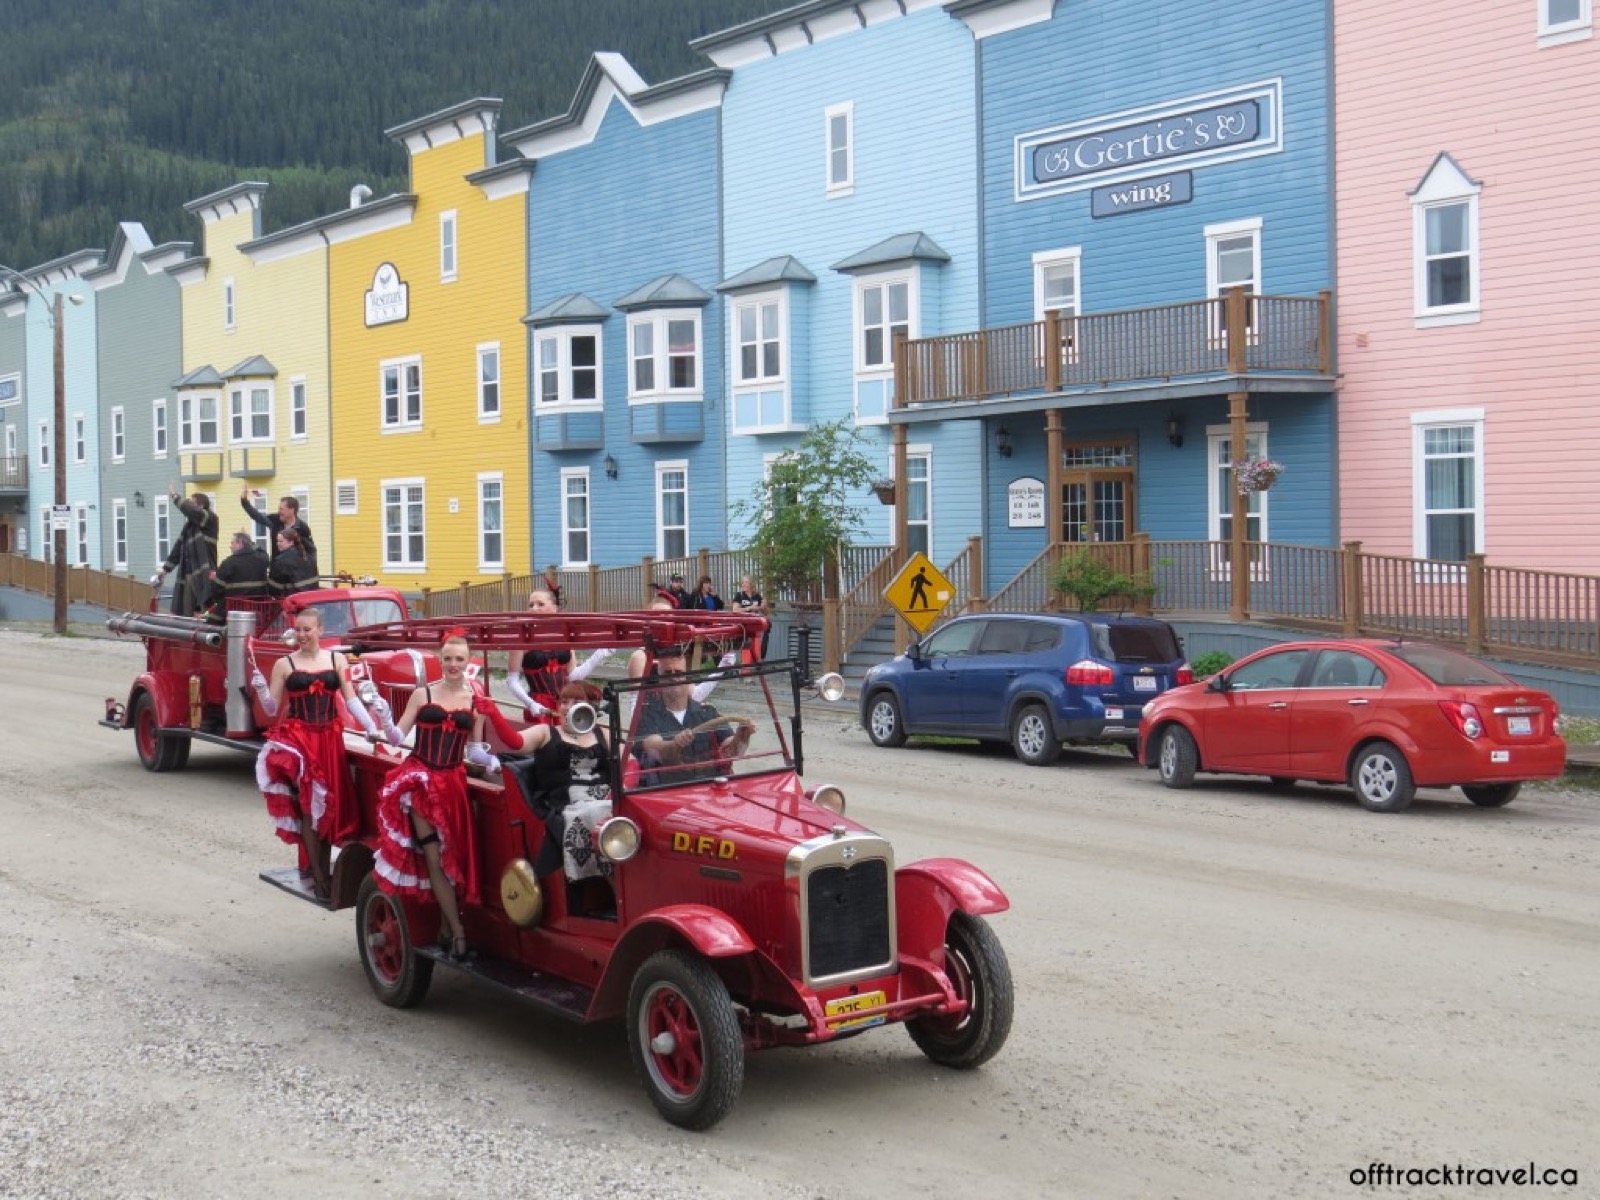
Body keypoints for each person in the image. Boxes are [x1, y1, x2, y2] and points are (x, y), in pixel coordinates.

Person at [250, 607, 383, 901]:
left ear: (321, 631)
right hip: (300, 742)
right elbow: (272, 709)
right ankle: (320, 876)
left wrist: (372, 726)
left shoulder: (337, 659)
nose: (302, 635)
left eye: (307, 629)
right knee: (311, 807)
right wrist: (261, 691)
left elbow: (349, 700)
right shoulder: (284, 664)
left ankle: (322, 869)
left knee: (327, 807)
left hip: (330, 740)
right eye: (298, 630)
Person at [372, 629, 484, 961]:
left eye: (459, 659)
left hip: (454, 785)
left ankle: (446, 929)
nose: (453, 665)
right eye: (447, 658)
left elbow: (475, 751)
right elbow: (396, 737)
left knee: (455, 860)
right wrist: (381, 713)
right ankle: (459, 932)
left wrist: (492, 759)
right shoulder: (422, 694)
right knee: (435, 857)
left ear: (468, 662)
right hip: (421, 781)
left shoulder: (475, 699)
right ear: (439, 659)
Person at [481, 681, 613, 882]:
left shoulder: (602, 733)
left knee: (622, 812)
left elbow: (629, 761)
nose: (568, 707)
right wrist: (494, 714)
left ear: (589, 706)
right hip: (567, 803)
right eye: (564, 701)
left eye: (576, 701)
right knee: (596, 814)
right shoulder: (545, 732)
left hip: (606, 797)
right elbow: (515, 742)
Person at [631, 646, 756, 785]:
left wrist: (742, 736)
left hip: (712, 790)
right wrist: (675, 745)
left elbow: (732, 752)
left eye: (678, 672)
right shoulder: (646, 715)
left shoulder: (708, 712)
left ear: (688, 677)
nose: (674, 678)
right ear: (659, 679)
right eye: (667, 673)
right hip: (668, 792)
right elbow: (654, 747)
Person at [503, 586, 611, 721]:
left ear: (554, 608)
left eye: (540, 604)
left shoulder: (564, 635)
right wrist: (530, 704)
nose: (534, 608)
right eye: (531, 605)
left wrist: (600, 654)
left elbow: (573, 676)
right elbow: (511, 681)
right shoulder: (521, 638)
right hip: (540, 707)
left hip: (566, 704)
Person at [154, 486, 218, 616]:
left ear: (201, 505)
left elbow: (192, 512)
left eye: (192, 503)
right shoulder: (189, 527)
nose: (188, 506)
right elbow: (178, 549)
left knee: (204, 609)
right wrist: (165, 570)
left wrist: (175, 496)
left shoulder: (210, 518)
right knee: (186, 612)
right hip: (188, 574)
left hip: (203, 573)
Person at [242, 486, 318, 577]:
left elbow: (311, 551)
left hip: (296, 573)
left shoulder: (302, 528)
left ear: (292, 510)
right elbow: (257, 516)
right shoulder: (274, 520)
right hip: (277, 570)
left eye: (281, 509)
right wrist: (244, 502)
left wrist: (309, 569)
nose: (279, 511)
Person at [206, 531, 269, 615]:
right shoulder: (262, 559)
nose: (230, 546)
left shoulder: (228, 563)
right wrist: (249, 542)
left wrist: (214, 580)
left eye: (232, 543)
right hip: (259, 611)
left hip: (234, 611)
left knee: (213, 619)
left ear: (240, 544)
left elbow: (217, 591)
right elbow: (262, 551)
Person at [267, 528, 316, 596]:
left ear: (291, 542)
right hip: (310, 599)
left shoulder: (281, 562)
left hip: (291, 601)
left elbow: (274, 589)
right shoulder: (308, 557)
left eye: (281, 541)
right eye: (277, 541)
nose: (278, 544)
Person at [731, 575, 769, 659]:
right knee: (747, 651)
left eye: (746, 582)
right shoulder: (739, 595)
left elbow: (765, 612)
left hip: (755, 626)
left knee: (757, 649)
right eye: (743, 582)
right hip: (744, 626)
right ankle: (746, 669)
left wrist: (764, 606)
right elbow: (735, 610)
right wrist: (749, 608)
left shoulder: (757, 596)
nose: (743, 584)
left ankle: (758, 663)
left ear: (751, 584)